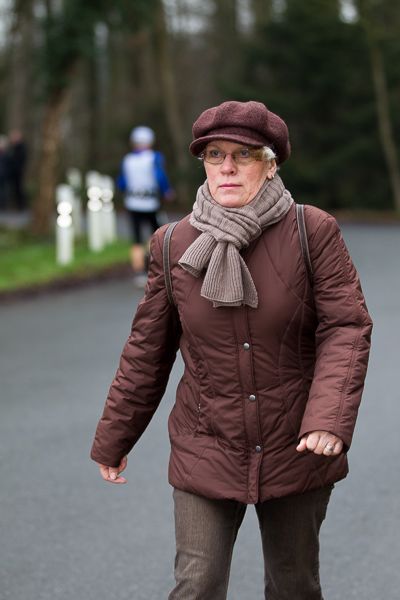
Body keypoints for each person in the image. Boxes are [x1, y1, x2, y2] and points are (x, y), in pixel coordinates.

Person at [91, 100, 373, 599]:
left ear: (271, 164)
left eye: (244, 155)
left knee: (293, 586)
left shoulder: (312, 231)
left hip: (295, 445)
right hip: (206, 443)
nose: (227, 167)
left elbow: (346, 326)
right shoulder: (173, 244)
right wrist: (115, 436)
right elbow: (146, 350)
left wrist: (328, 419)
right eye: (214, 154)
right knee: (196, 586)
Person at [117, 125, 174, 286]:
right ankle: (153, 269)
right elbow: (160, 176)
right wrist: (167, 190)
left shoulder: (128, 160)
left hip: (132, 202)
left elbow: (122, 182)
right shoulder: (154, 157)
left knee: (136, 239)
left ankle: (139, 273)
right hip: (150, 203)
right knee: (154, 236)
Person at [7, 130, 27, 211]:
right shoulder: (13, 147)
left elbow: (19, 160)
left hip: (18, 171)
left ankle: (21, 205)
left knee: (18, 188)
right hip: (13, 171)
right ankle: (17, 205)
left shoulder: (21, 147)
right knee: (15, 189)